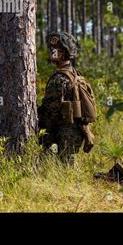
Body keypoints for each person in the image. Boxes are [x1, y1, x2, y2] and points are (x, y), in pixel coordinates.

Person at [38, 32, 95, 163]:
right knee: (67, 171)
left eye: (55, 50)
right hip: (75, 133)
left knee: (62, 173)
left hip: (63, 135)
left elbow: (49, 115)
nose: (52, 52)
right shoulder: (75, 74)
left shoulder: (59, 79)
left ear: (63, 53)